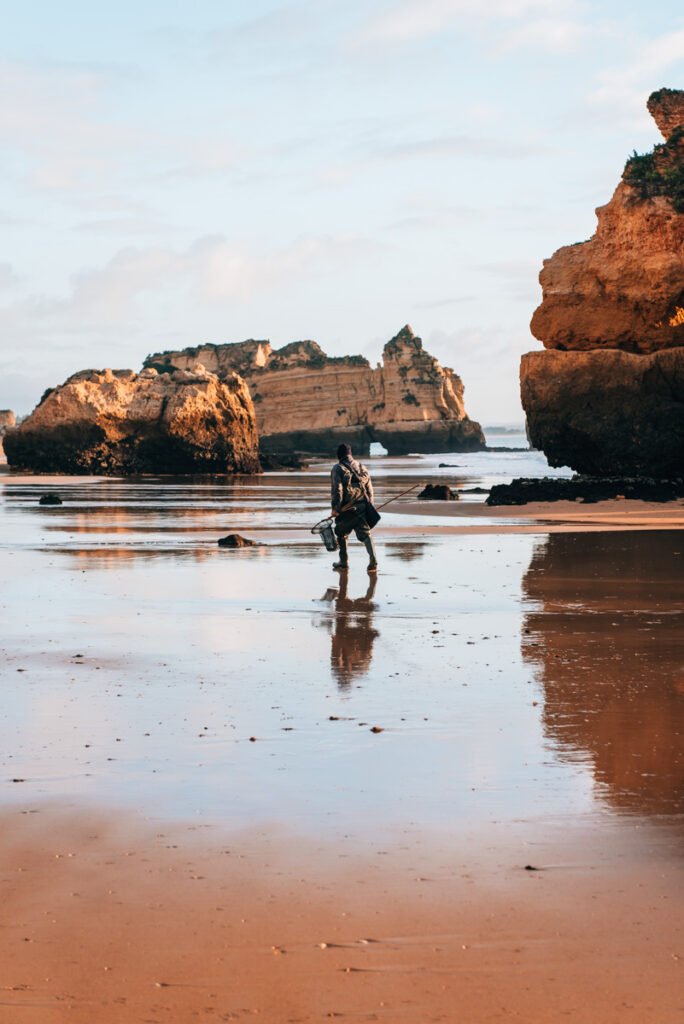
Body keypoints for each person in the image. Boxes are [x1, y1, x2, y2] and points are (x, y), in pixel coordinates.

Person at [330, 443, 378, 572]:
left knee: (341, 533)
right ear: (350, 454)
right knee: (366, 533)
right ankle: (373, 559)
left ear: (339, 455)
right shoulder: (362, 466)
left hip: (346, 508)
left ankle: (343, 562)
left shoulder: (337, 468)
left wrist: (336, 508)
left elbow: (337, 490)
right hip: (362, 506)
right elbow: (369, 488)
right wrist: (370, 506)